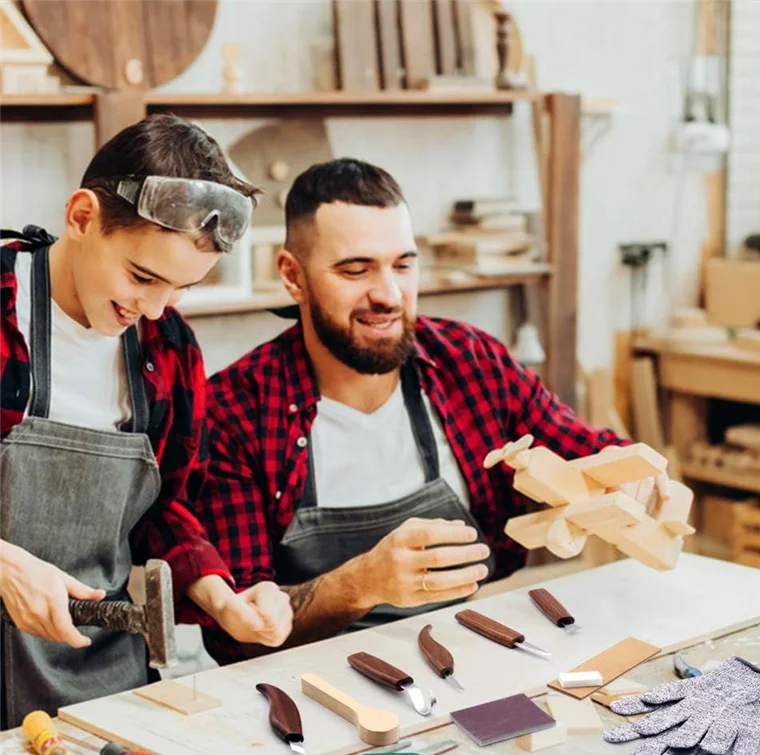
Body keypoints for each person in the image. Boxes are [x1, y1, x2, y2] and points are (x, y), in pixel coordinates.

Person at [197, 158, 668, 665]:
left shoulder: (468, 362)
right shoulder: (235, 411)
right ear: (293, 277)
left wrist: (630, 473)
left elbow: (579, 445)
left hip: (471, 648)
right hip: (307, 679)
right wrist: (360, 583)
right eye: (355, 270)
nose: (389, 294)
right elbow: (236, 636)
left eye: (403, 265)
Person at [0, 115, 293, 729]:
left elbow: (162, 508)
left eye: (180, 288)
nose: (153, 308)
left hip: (96, 672)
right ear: (82, 217)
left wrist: (223, 597)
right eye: (142, 276)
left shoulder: (168, 348)